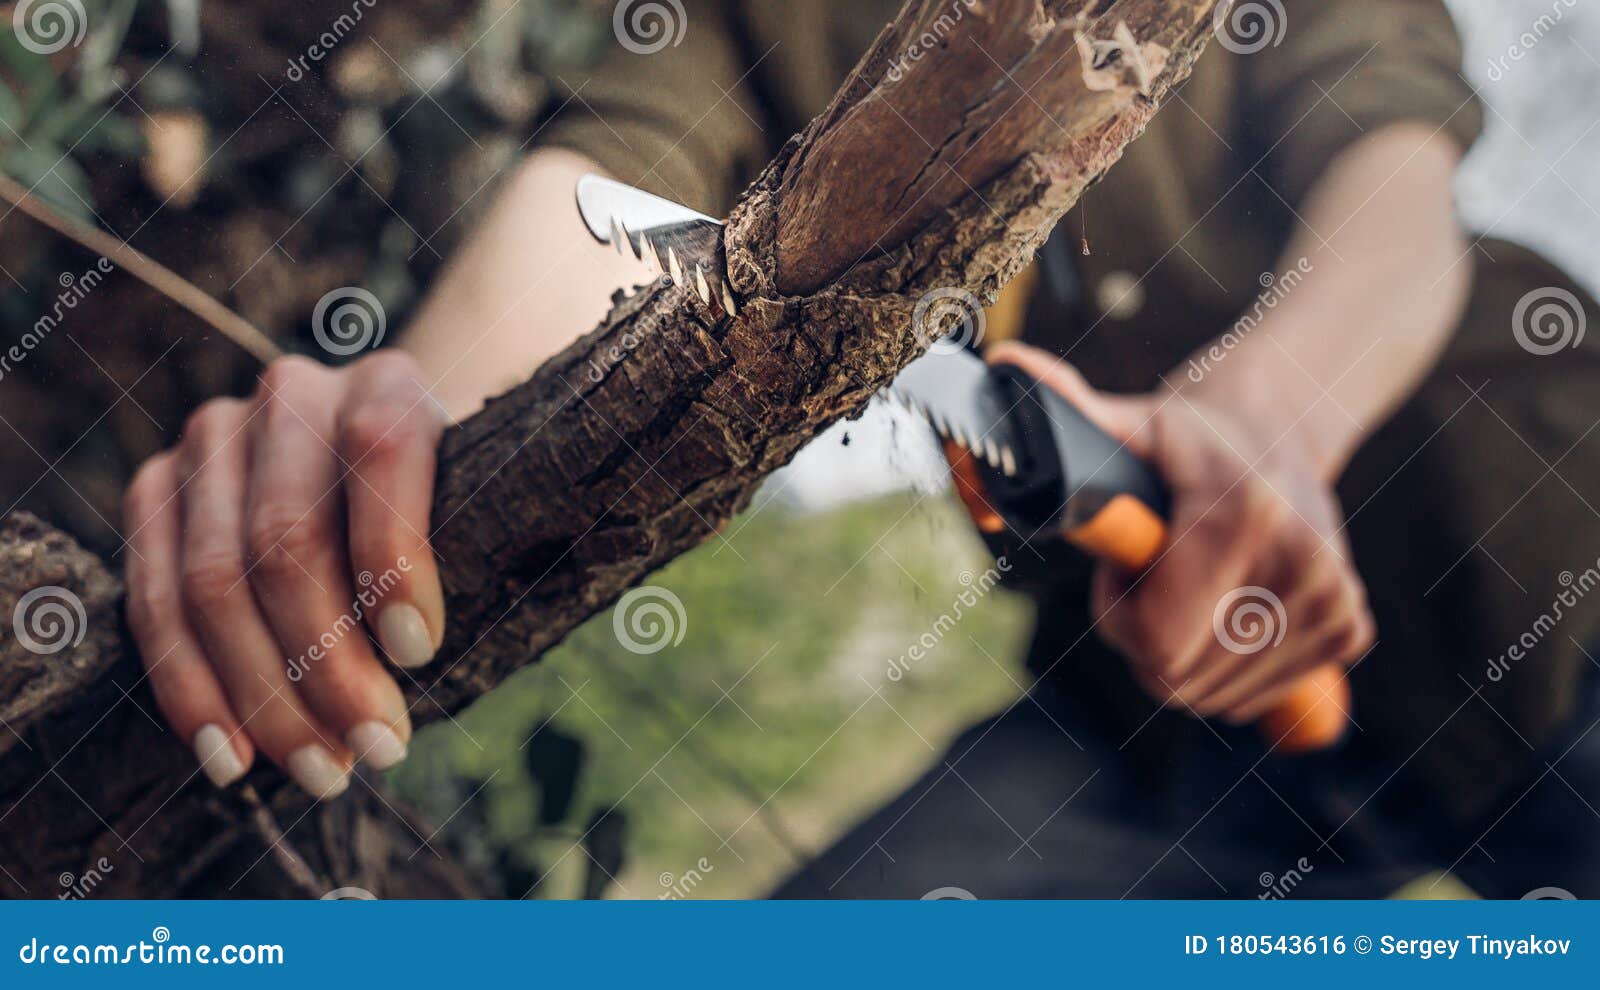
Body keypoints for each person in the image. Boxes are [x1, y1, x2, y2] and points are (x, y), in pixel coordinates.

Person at [120, 0, 1600, 897]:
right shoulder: (725, 31)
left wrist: (1267, 415)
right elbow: (571, 237)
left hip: (1541, 576)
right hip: (1152, 728)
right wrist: (344, 458)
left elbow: (1400, 190)